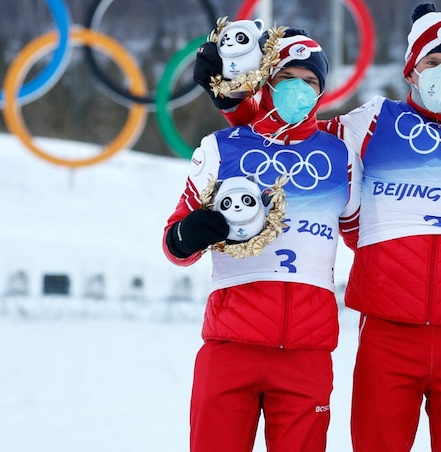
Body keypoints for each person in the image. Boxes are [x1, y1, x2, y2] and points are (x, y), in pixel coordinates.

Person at [216, 3, 441, 450]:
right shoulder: (374, 121)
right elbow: (290, 135)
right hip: (388, 333)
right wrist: (233, 103)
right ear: (411, 71)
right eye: (433, 62)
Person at [163, 27, 361, 452]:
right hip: (231, 346)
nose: (300, 89)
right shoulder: (221, 148)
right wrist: (187, 236)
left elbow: (365, 237)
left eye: (311, 82)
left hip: (307, 353)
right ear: (267, 82)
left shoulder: (339, 154)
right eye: (288, 78)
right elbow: (173, 239)